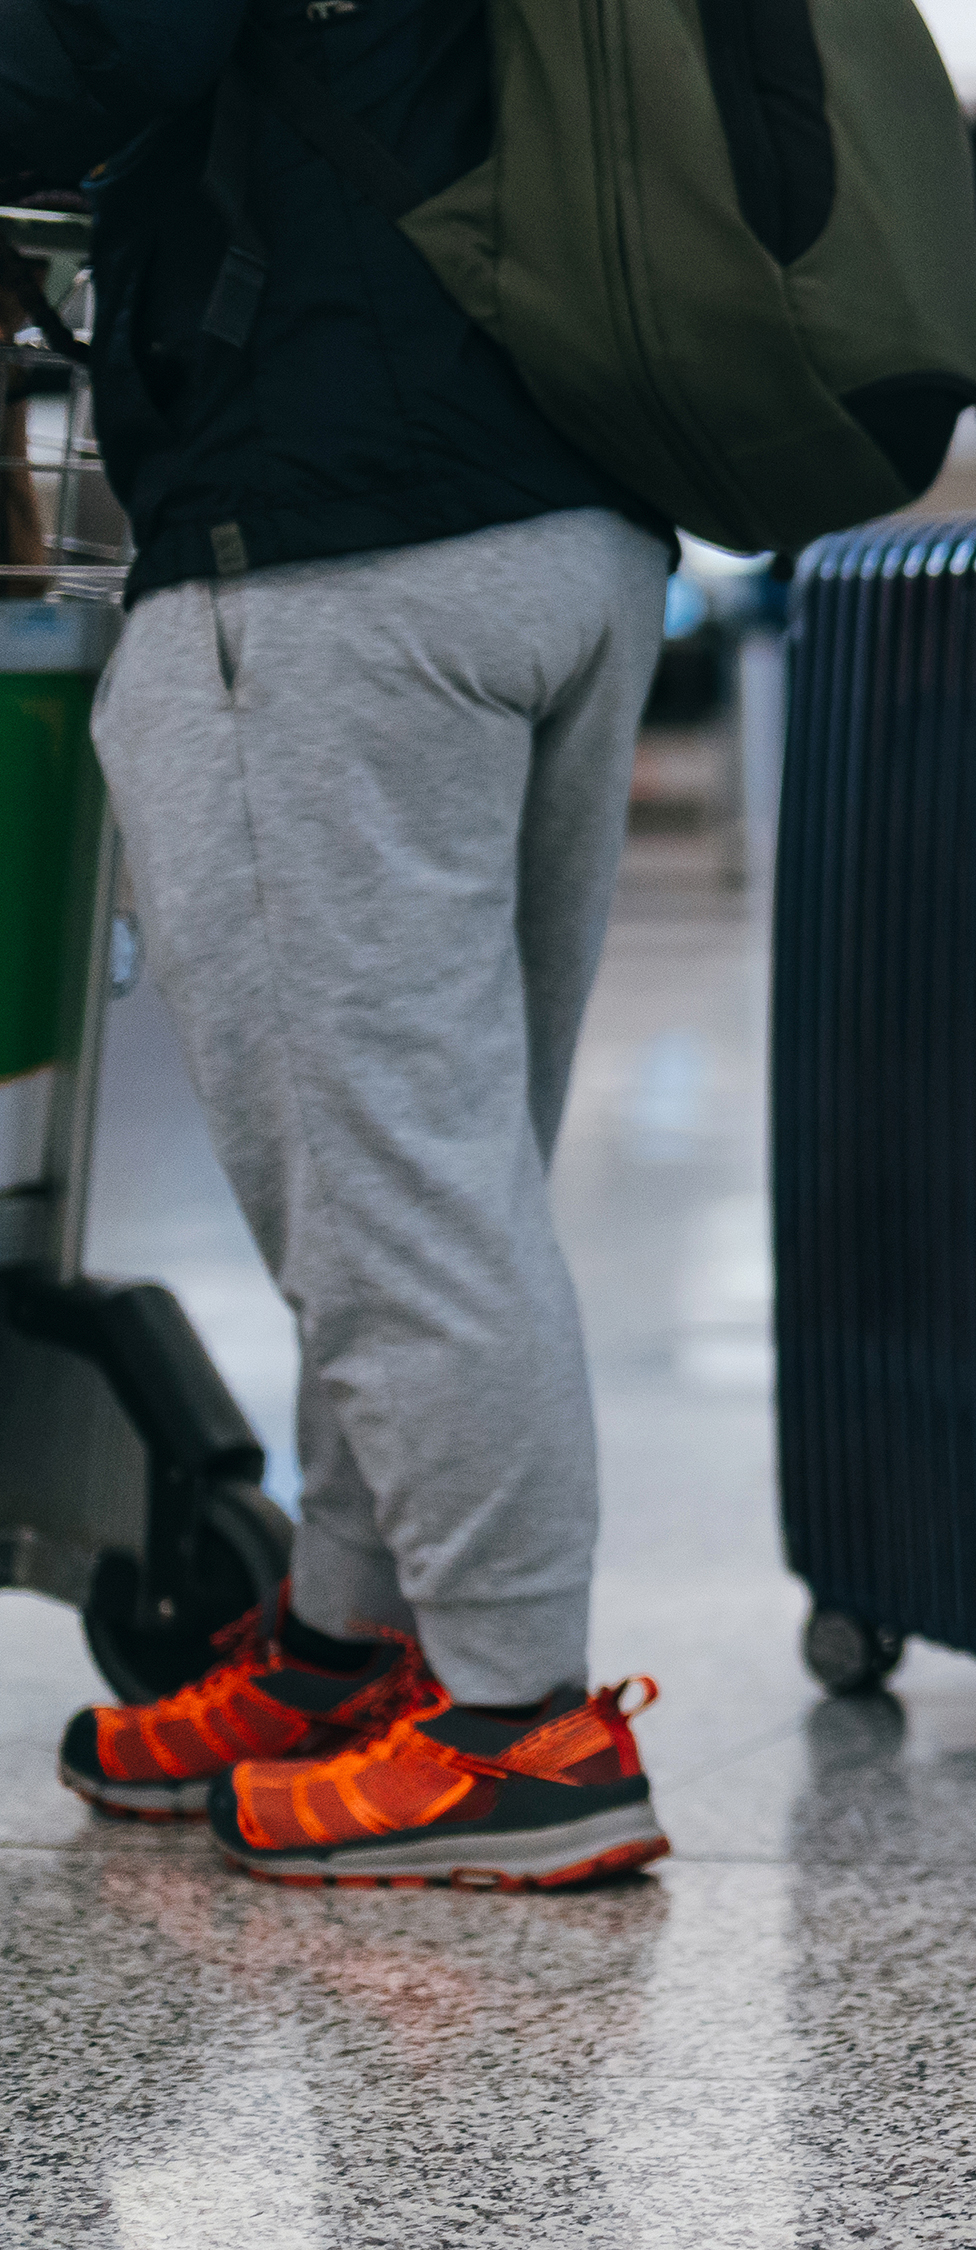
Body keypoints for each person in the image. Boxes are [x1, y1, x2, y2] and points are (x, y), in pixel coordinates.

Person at [11, 0, 675, 1886]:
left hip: (332, 556)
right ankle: (356, 1641)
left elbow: (84, 51)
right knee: (439, 1156)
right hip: (571, 527)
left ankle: (521, 1724)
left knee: (392, 1181)